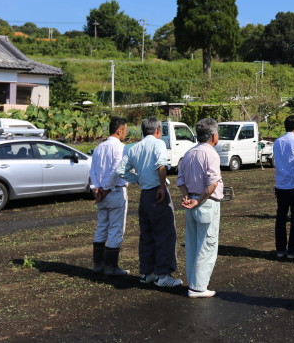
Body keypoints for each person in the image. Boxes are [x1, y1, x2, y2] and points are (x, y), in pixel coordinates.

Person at [112, 117, 182, 287]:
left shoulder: (134, 148)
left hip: (144, 195)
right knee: (165, 234)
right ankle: (163, 275)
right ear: (157, 131)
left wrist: (137, 179)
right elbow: (161, 165)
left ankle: (147, 272)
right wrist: (160, 186)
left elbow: (121, 170)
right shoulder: (158, 144)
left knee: (147, 235)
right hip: (157, 192)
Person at [176, 118, 223, 298]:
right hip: (206, 202)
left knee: (193, 244)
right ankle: (198, 287)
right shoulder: (210, 153)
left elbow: (180, 180)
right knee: (207, 244)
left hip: (192, 202)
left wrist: (188, 196)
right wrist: (200, 199)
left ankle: (194, 283)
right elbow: (212, 183)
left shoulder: (189, 153)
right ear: (213, 135)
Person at [90, 116, 130, 277]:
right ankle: (111, 266)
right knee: (115, 229)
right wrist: (106, 188)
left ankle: (98, 264)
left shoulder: (99, 147)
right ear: (119, 130)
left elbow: (92, 170)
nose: (125, 134)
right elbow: (116, 170)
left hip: (101, 192)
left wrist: (97, 188)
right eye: (125, 131)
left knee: (101, 227)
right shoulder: (120, 148)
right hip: (114, 191)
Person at [273, 114, 294, 259]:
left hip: (280, 184)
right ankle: (292, 250)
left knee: (281, 217)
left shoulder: (277, 141)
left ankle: (280, 249)